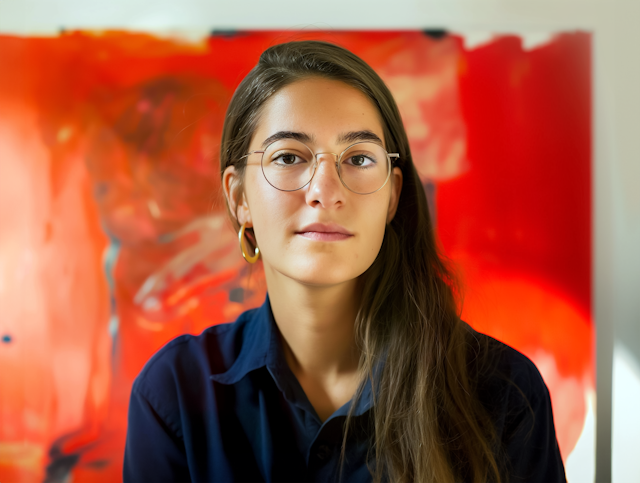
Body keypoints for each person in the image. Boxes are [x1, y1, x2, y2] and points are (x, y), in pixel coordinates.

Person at [123, 40, 566, 483]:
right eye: (289, 157)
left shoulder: (505, 393)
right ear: (240, 198)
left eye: (357, 159)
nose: (325, 190)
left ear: (392, 195)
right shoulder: (174, 394)